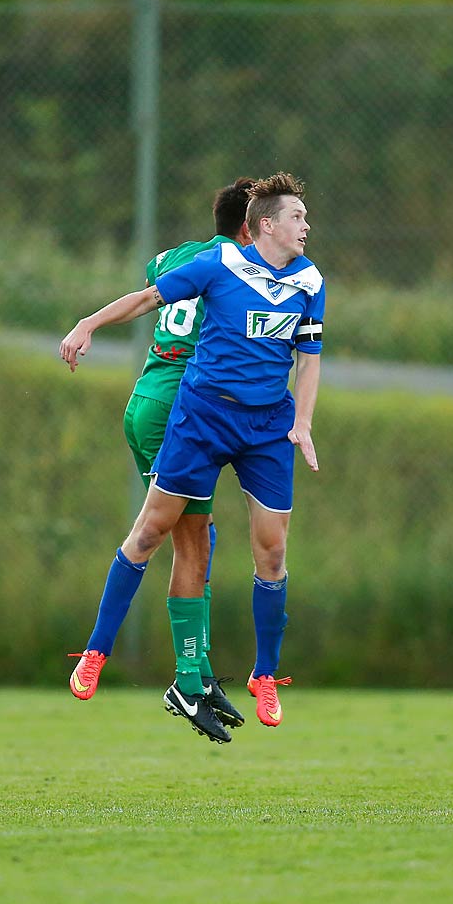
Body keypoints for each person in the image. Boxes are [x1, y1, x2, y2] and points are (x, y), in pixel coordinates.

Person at [60, 172, 323, 743]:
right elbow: (153, 296)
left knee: (257, 548)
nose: (307, 225)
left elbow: (309, 355)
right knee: (173, 537)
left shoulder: (304, 280)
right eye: (296, 216)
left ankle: (233, 676)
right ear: (260, 225)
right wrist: (89, 322)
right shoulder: (219, 265)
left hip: (246, 421)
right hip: (193, 411)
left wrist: (301, 423)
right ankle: (149, 668)